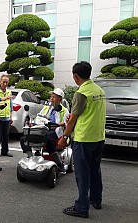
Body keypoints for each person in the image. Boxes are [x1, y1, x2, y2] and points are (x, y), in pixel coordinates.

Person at [58, 61, 106, 218]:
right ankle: (96, 200)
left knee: (82, 173)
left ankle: (81, 207)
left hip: (84, 138)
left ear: (76, 76)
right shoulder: (99, 90)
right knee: (94, 169)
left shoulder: (81, 93)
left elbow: (72, 119)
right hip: (98, 137)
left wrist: (64, 137)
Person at [20, 88, 69, 173]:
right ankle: (31, 157)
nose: (51, 99)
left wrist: (58, 124)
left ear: (60, 99)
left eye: (54, 97)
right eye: (51, 97)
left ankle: (60, 164)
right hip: (42, 128)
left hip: (55, 131)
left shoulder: (64, 111)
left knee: (48, 139)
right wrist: (34, 122)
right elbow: (39, 117)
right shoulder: (46, 108)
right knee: (24, 138)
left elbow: (66, 123)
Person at [0, 74, 13, 159]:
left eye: (7, 82)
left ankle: (5, 151)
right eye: (4, 82)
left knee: (6, 136)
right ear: (0, 82)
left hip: (6, 117)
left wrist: (11, 116)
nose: (5, 84)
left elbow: (10, 105)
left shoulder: (9, 92)